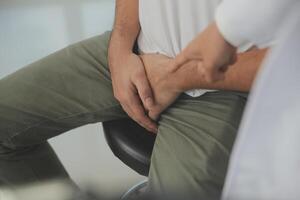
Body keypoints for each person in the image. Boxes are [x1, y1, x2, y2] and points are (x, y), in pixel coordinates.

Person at [0, 0, 266, 199]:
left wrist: (178, 77)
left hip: (224, 83)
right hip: (137, 54)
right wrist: (120, 43)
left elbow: (290, 58)